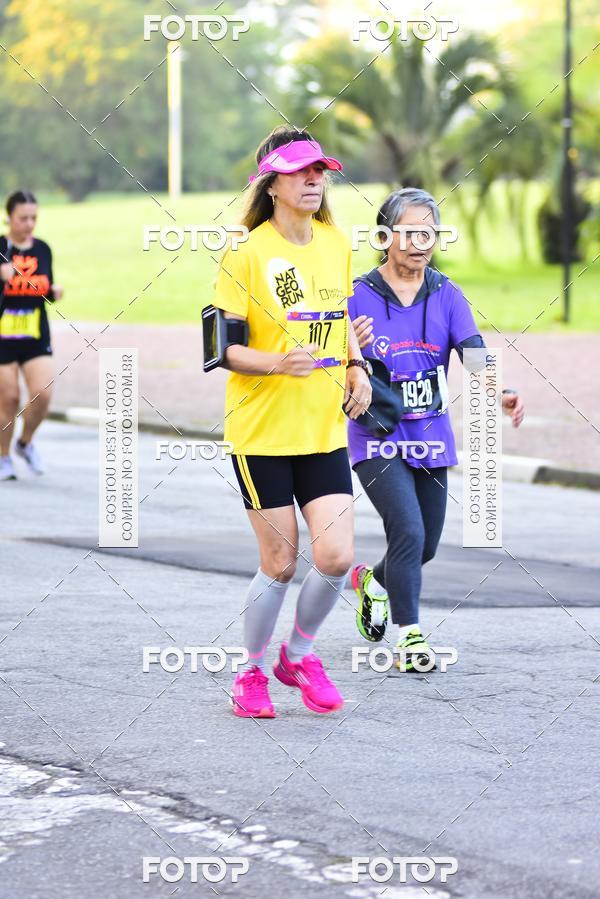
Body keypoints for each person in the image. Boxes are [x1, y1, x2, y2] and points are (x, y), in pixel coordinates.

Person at [211, 126, 372, 717]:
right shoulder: (244, 252)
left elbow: (344, 316)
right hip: (263, 433)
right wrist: (278, 362)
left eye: (319, 170)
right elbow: (220, 349)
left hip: (323, 428)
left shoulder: (335, 242)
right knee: (280, 563)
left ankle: (298, 656)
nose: (313, 179)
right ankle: (250, 673)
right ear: (271, 182)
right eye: (301, 171)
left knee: (334, 556)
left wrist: (358, 368)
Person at [348, 188, 525, 670]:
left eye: (428, 231)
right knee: (406, 530)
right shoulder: (357, 295)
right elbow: (332, 358)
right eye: (408, 232)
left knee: (423, 546)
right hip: (377, 437)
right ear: (385, 236)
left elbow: (473, 351)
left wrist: (500, 389)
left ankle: (374, 583)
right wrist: (350, 353)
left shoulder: (446, 293)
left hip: (431, 439)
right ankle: (411, 638)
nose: (419, 242)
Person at [0, 190, 63, 480]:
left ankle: (25, 443)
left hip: (35, 334)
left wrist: (53, 292)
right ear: (9, 218)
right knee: (8, 398)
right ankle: (3, 457)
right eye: (23, 218)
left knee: (43, 392)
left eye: (33, 218)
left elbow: (43, 286)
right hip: (3, 337)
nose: (29, 224)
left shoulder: (43, 249)